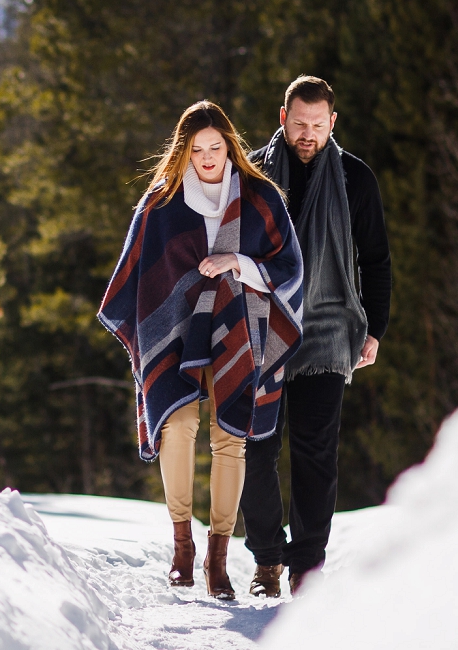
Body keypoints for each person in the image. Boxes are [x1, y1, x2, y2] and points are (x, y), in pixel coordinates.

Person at [98, 100, 305, 599]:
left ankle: (218, 556)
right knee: (179, 423)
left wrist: (237, 261)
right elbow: (138, 275)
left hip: (242, 328)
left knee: (230, 436)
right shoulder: (163, 202)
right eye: (197, 150)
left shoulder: (260, 198)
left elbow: (290, 268)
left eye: (216, 147)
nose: (208, 157)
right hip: (176, 330)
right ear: (184, 153)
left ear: (229, 146)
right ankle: (181, 545)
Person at [241, 75, 392, 598]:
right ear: (282, 119)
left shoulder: (355, 179)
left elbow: (375, 259)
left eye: (317, 125)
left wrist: (374, 327)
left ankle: (307, 567)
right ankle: (266, 560)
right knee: (256, 448)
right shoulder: (253, 174)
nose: (308, 135)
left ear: (333, 123)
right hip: (260, 327)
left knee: (315, 451)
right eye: (299, 124)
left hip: (326, 326)